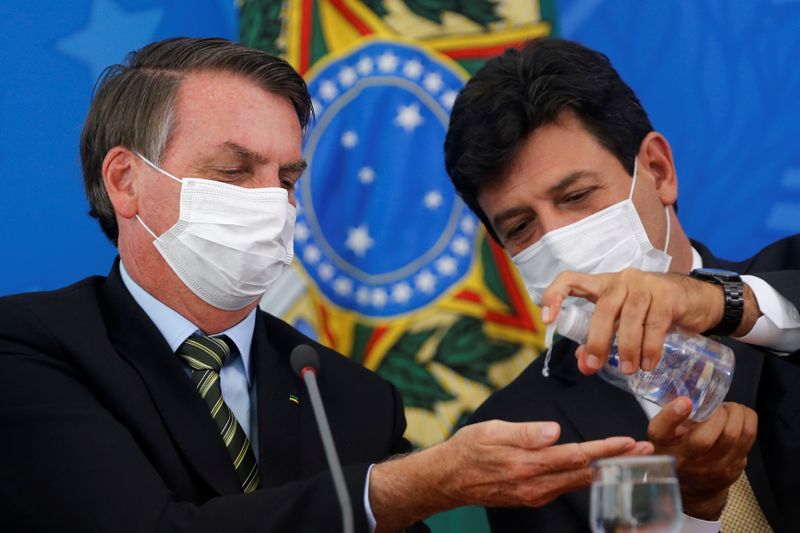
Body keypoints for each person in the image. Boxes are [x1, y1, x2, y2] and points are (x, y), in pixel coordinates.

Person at [0, 37, 652, 533]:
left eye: (285, 178)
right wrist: (398, 488)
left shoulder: (347, 396)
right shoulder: (31, 350)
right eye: (235, 169)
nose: (273, 204)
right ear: (125, 181)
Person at [444, 37, 800, 532]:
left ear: (658, 171)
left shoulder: (788, 276)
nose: (561, 246)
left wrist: (722, 302)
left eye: (577, 195)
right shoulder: (522, 433)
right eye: (522, 227)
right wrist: (691, 507)